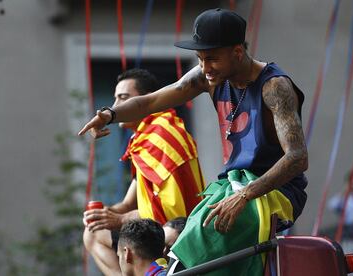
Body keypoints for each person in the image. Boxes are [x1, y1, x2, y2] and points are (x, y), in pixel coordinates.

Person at [79, 8, 308, 275]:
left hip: (274, 193)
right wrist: (110, 114)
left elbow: (297, 158)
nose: (204, 68)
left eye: (211, 59)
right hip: (232, 188)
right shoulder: (208, 78)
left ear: (237, 52)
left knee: (200, 241)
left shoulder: (274, 87)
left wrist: (244, 195)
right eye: (199, 59)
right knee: (184, 238)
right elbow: (151, 101)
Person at [82, 69, 205, 275]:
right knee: (93, 230)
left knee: (95, 236)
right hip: (159, 227)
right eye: (114, 99)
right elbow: (129, 204)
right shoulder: (145, 137)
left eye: (124, 98)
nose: (116, 107)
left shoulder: (161, 134)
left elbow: (171, 209)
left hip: (176, 232)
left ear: (147, 100)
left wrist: (121, 220)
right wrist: (103, 215)